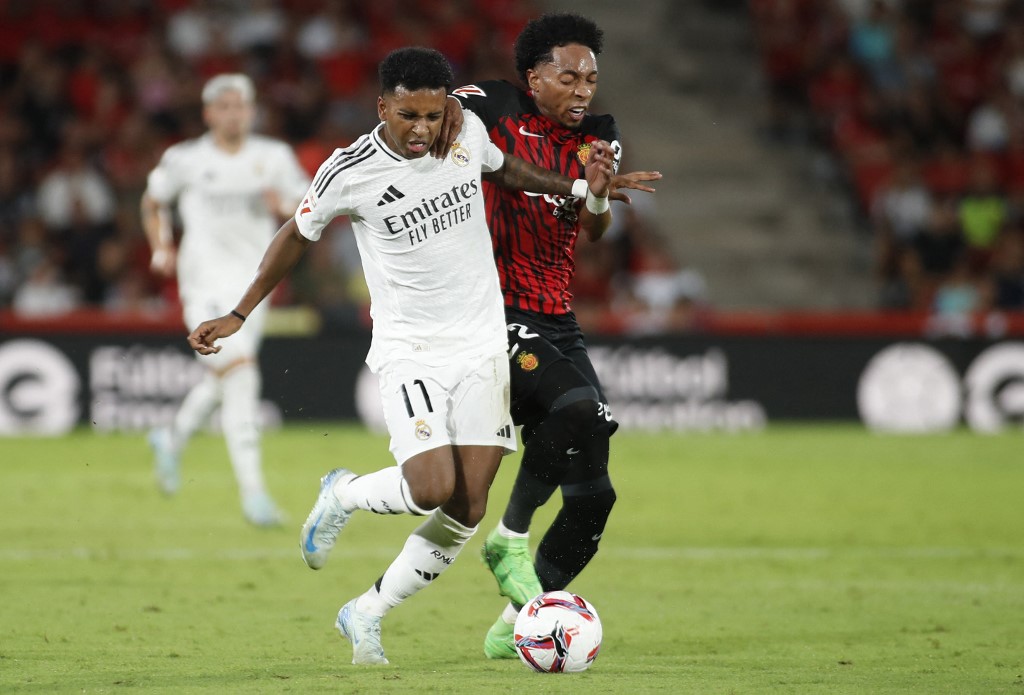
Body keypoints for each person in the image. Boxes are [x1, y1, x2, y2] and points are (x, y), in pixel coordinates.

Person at [186, 47, 641, 666]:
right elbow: (295, 235)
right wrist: (238, 314)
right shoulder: (349, 171)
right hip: (412, 351)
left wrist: (579, 187)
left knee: (469, 505)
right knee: (431, 487)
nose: (423, 129)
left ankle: (366, 612)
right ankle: (342, 494)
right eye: (408, 116)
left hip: (482, 344)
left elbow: (506, 170)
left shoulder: (464, 132)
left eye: (432, 114)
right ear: (382, 107)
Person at [447, 12, 662, 658]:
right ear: (534, 76)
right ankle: (509, 535)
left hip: (558, 318)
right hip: (495, 311)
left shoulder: (599, 136)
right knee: (577, 407)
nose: (583, 90)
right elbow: (428, 120)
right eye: (568, 77)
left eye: (591, 78)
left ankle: (522, 617)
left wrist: (595, 195)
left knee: (595, 498)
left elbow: (594, 228)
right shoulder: (492, 106)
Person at [141, 73, 310, 526]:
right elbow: (153, 202)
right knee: (240, 373)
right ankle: (254, 494)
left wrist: (286, 207)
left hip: (253, 289)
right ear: (208, 113)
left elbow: (308, 205)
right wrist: (161, 246)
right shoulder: (185, 159)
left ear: (252, 111)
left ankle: (172, 437)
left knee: (227, 377)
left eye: (241, 106)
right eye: (226, 106)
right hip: (203, 284)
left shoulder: (272, 157)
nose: (234, 114)